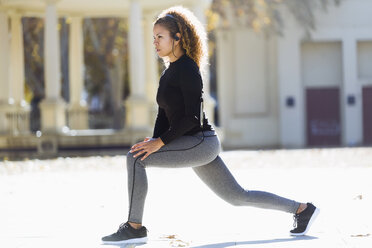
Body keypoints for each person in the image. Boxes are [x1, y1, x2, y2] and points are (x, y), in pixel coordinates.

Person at [101, 6, 319, 245]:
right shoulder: (169, 72)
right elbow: (164, 115)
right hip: (193, 142)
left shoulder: (188, 69)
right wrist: (154, 141)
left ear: (178, 38)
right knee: (237, 196)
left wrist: (160, 143)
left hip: (200, 142)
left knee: (135, 159)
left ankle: (134, 228)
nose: (155, 42)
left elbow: (192, 118)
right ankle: (302, 209)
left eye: (159, 37)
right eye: (153, 37)